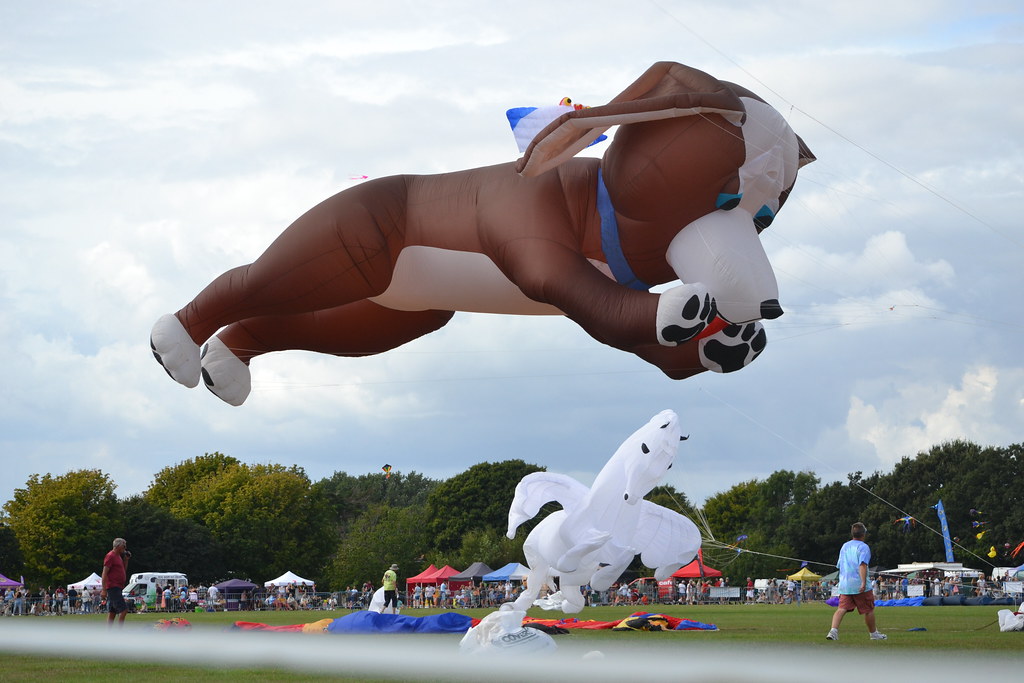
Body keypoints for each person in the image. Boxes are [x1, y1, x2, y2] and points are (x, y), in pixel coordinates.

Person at [827, 522, 886, 641]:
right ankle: (873, 634)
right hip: (859, 584)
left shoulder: (844, 546)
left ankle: (833, 631)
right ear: (863, 534)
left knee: (841, 608)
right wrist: (863, 582)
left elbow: (840, 565)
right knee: (868, 610)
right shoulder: (863, 547)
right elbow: (862, 565)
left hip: (845, 585)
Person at [100, 537, 130, 627]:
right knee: (124, 610)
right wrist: (104, 589)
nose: (125, 549)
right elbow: (104, 573)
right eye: (124, 546)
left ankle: (109, 633)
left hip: (118, 587)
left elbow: (123, 570)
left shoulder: (118, 557)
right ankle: (119, 631)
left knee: (112, 612)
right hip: (113, 587)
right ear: (118, 546)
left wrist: (126, 560)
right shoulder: (110, 556)